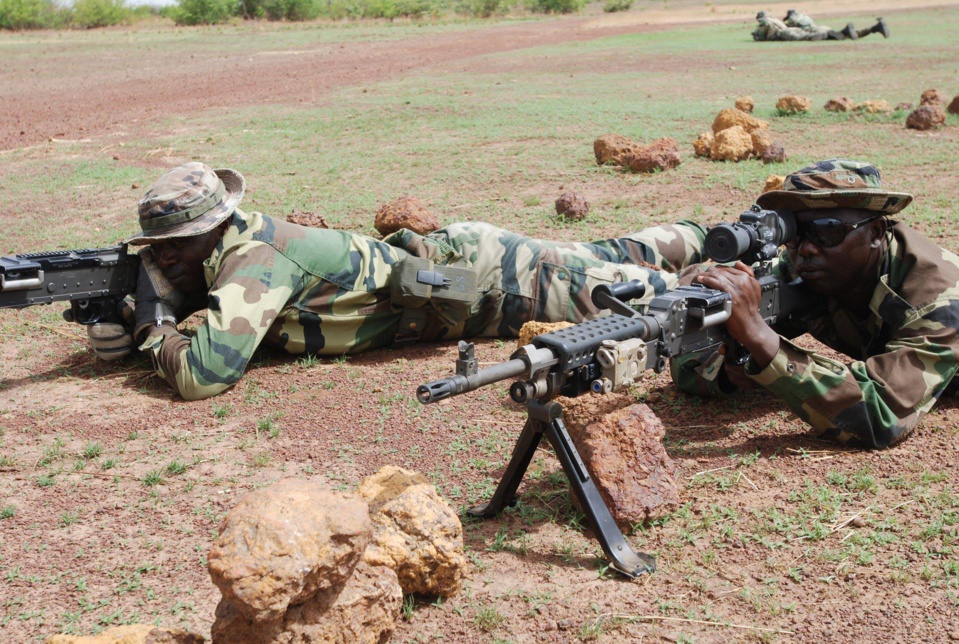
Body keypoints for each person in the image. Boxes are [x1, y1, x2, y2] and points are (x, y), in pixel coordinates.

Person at [88, 162, 706, 401]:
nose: (164, 261)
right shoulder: (232, 250)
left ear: (215, 228)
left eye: (174, 248)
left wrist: (153, 322)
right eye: (156, 251)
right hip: (465, 274)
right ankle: (704, 232)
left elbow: (202, 376)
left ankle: (733, 256)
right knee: (606, 254)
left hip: (495, 281)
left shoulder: (255, 258)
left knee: (650, 292)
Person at [672, 159, 959, 449]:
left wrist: (761, 337)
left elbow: (879, 416)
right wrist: (728, 367)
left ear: (875, 232)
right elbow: (690, 357)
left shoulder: (939, 299)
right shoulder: (803, 273)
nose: (808, 248)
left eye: (828, 231)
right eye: (796, 234)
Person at [784, 8, 889, 40]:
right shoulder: (803, 16)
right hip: (821, 27)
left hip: (817, 31)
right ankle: (874, 28)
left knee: (840, 36)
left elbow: (792, 29)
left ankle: (846, 31)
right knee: (846, 35)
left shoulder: (793, 19)